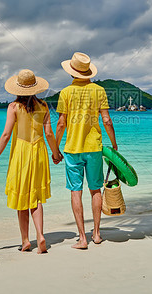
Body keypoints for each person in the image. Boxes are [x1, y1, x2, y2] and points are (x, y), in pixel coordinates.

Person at [0, 69, 63, 254]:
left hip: (21, 152)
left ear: (17, 89)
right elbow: (49, 134)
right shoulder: (43, 106)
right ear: (35, 88)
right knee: (35, 197)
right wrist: (56, 153)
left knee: (21, 197)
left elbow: (5, 135)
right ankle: (40, 235)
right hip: (39, 152)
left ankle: (26, 240)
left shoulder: (13, 107)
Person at [55, 52, 118, 249]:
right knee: (95, 189)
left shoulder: (65, 93)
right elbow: (106, 120)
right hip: (94, 148)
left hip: (73, 149)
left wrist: (55, 148)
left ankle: (82, 238)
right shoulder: (99, 91)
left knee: (75, 191)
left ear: (72, 72)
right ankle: (97, 234)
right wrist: (114, 144)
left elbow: (61, 123)